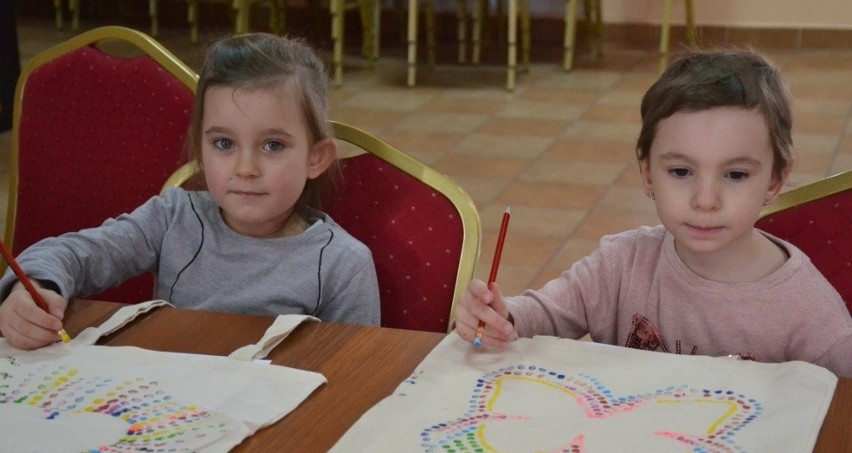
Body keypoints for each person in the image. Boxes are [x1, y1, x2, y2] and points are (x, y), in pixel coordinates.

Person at [455, 47, 852, 378]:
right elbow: (541, 315)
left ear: (775, 180)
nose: (705, 199)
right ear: (647, 174)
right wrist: (503, 319)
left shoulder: (810, 314)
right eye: (681, 171)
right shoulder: (620, 266)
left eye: (735, 174)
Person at [0, 33, 380, 350]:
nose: (245, 169)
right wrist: (34, 288)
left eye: (273, 146)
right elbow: (74, 253)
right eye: (224, 144)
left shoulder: (342, 264)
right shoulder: (172, 218)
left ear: (317, 158)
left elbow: (356, 373)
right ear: (199, 148)